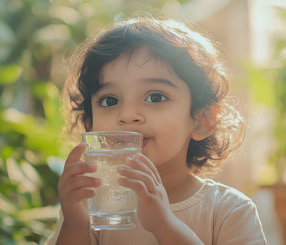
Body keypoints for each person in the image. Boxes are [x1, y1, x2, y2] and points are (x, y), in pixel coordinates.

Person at [46, 16, 267, 245]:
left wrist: (165, 225)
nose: (127, 114)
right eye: (109, 101)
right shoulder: (91, 208)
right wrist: (75, 226)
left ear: (203, 120)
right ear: (90, 126)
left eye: (155, 97)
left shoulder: (228, 211)